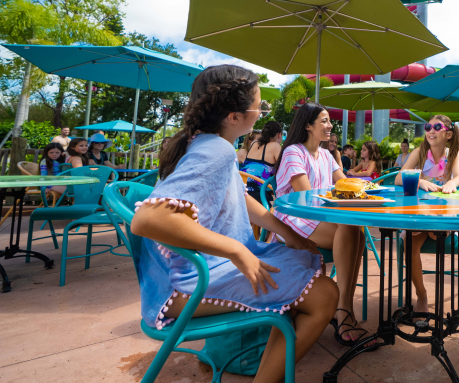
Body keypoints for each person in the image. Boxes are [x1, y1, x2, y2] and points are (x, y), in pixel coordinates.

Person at [130, 65, 337, 383]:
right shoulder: (216, 151)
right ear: (234, 117)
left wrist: (287, 233)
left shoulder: (206, 143)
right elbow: (147, 219)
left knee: (300, 260)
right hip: (186, 285)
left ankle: (267, 358)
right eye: (259, 104)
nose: (262, 109)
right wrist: (236, 249)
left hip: (181, 277)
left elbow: (241, 198)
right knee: (324, 294)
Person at [273, 102, 372, 348]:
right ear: (308, 126)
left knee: (355, 231)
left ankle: (343, 308)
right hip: (294, 217)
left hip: (320, 215)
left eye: (329, 121)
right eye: (325, 121)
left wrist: (366, 187)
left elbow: (345, 183)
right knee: (350, 227)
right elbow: (304, 196)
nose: (330, 126)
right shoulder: (294, 152)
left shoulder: (327, 155)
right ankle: (344, 312)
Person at [395, 115, 459, 317]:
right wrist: (419, 182)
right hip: (419, 212)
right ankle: (421, 294)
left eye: (436, 127)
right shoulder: (419, 152)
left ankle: (435, 231)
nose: (430, 130)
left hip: (441, 213)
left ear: (448, 134)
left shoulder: (453, 154)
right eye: (427, 127)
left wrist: (453, 182)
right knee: (410, 242)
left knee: (437, 233)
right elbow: (400, 176)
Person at [240, 122, 283, 201]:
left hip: (241, 184)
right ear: (279, 134)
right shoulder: (276, 146)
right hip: (256, 190)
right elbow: (283, 170)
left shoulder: (254, 143)